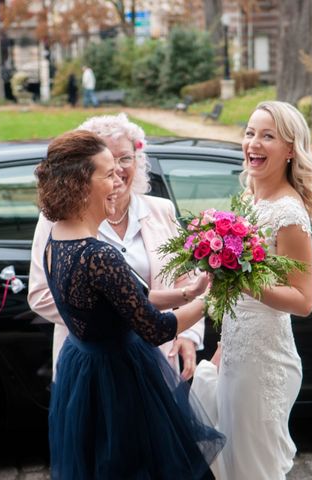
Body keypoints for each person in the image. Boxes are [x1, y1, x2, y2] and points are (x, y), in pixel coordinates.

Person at [35, 130, 225, 478]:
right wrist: (212, 301)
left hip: (83, 369)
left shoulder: (57, 239)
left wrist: (189, 293)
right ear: (80, 184)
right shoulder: (98, 254)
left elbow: (124, 297)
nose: (119, 180)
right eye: (108, 174)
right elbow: (156, 327)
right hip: (118, 380)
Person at [192, 101, 312, 480]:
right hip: (234, 352)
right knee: (230, 463)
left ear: (290, 149)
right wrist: (221, 348)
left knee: (253, 468)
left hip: (264, 361)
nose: (254, 143)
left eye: (267, 136)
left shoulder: (289, 215)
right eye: (250, 133)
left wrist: (242, 280)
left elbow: (304, 300)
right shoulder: (250, 201)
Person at [29, 113, 206, 381]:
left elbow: (183, 279)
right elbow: (42, 295)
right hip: (98, 365)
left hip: (157, 358)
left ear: (138, 159)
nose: (119, 171)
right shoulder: (59, 222)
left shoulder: (162, 210)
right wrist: (122, 321)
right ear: (84, 173)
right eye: (109, 165)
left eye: (125, 158)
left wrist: (188, 333)